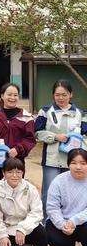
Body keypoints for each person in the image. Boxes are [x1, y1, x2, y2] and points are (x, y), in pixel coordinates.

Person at [35, 79, 87, 217]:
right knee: (49, 192)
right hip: (52, 160)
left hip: (74, 161)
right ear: (53, 95)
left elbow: (85, 136)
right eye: (57, 95)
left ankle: (69, 223)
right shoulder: (45, 111)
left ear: (71, 94)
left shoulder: (80, 113)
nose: (61, 98)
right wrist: (55, 136)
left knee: (71, 193)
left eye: (64, 94)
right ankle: (47, 223)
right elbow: (37, 133)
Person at [0, 158, 50, 246]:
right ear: (3, 173)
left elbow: (37, 213)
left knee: (41, 232)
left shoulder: (30, 189)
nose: (15, 175)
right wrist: (2, 235)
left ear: (23, 173)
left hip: (27, 226)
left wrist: (22, 229)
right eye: (10, 172)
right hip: (8, 227)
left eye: (19, 172)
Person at [0, 83, 36, 186]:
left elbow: (30, 139)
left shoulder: (26, 117)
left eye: (15, 95)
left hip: (17, 161)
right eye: (9, 94)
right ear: (2, 96)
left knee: (16, 189)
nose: (12, 98)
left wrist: (18, 149)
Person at [46, 148, 87, 246]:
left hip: (83, 221)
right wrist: (62, 224)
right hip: (63, 222)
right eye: (74, 163)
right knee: (51, 235)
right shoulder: (59, 181)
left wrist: (74, 221)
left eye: (83, 163)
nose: (78, 167)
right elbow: (52, 207)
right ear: (68, 164)